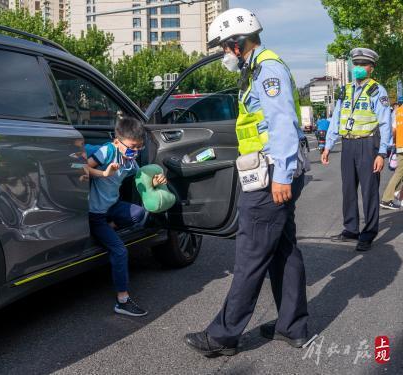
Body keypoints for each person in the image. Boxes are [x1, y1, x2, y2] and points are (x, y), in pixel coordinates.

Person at [184, 8, 310, 357]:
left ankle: (223, 336)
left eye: (225, 47)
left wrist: (282, 175)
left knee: (251, 254)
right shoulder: (257, 69)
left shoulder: (267, 70)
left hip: (272, 175)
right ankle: (292, 325)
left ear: (238, 44)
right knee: (284, 250)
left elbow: (282, 123)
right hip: (273, 171)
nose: (224, 54)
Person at [86, 116, 167, 317]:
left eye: (139, 148)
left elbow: (142, 179)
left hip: (112, 208)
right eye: (132, 148)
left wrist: (157, 181)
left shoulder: (129, 160)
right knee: (120, 251)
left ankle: (110, 226)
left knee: (140, 214)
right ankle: (122, 301)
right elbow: (83, 167)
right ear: (117, 141)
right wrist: (103, 174)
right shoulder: (107, 151)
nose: (135, 153)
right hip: (96, 213)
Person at [322, 48, 392, 251]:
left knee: (369, 190)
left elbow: (385, 123)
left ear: (371, 68)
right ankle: (351, 228)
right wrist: (328, 145)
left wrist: (381, 153)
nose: (359, 68)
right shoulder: (345, 89)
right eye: (357, 64)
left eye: (363, 65)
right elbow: (336, 118)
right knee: (348, 189)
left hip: (368, 144)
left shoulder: (377, 90)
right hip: (348, 144)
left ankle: (368, 233)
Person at [381, 102, 403, 209]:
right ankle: (386, 199)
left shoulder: (398, 111)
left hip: (399, 145)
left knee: (400, 172)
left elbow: (393, 129)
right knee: (399, 172)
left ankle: (398, 193)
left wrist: (395, 141)